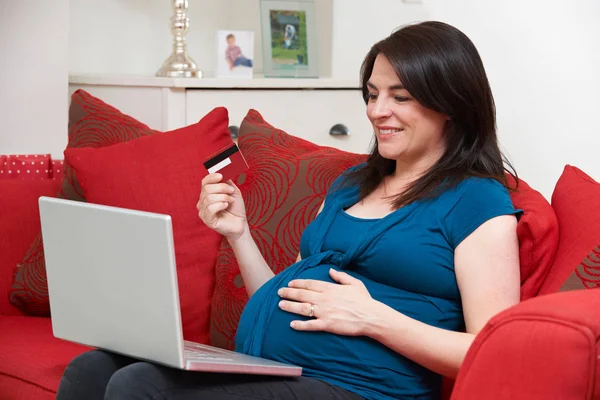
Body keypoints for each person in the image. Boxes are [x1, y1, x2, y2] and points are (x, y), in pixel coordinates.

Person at [56, 21, 521, 400]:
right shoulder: (350, 186)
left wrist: (371, 316)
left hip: (363, 390)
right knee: (91, 368)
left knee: (141, 387)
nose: (378, 111)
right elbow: (290, 294)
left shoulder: (476, 199)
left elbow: (496, 350)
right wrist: (239, 234)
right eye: (372, 94)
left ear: (451, 107)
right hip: (282, 369)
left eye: (400, 97)